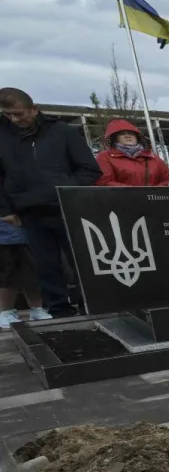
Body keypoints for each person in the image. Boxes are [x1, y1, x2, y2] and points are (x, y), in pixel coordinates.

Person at [0, 88, 98, 318]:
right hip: (28, 210)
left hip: (67, 207)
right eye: (7, 115)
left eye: (18, 114)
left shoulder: (63, 131)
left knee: (80, 260)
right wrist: (5, 209)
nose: (14, 120)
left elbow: (89, 168)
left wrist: (66, 188)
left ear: (33, 109)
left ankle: (90, 305)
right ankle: (58, 310)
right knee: (45, 265)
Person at [95, 119, 169, 187]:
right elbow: (104, 181)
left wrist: (156, 191)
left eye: (131, 133)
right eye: (122, 133)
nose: (128, 136)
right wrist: (134, 192)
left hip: (152, 200)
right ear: (115, 138)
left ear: (137, 137)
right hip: (121, 201)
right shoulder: (104, 157)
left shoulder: (153, 158)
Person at [0, 215, 45, 326]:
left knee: (31, 273)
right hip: (3, 237)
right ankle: (5, 312)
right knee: (7, 275)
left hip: (24, 234)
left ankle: (37, 309)